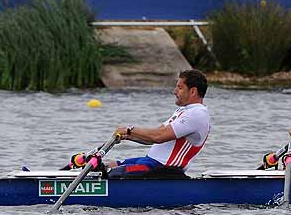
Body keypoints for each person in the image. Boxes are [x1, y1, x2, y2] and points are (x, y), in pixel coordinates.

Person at [75, 69, 209, 178]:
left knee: (110, 174)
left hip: (162, 169)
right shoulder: (183, 111)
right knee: (106, 166)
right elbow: (153, 138)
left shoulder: (197, 114)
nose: (175, 91)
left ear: (193, 91)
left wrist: (129, 130)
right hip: (149, 162)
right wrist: (129, 136)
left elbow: (158, 136)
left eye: (179, 88)